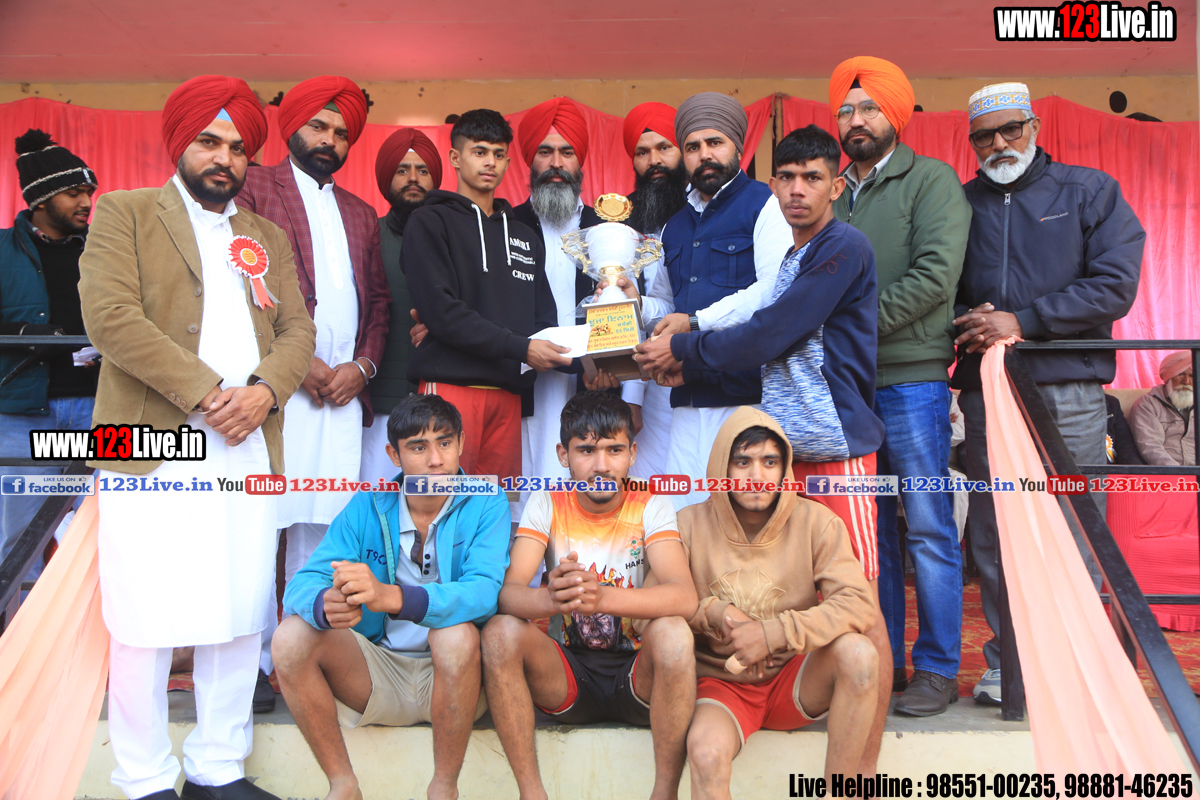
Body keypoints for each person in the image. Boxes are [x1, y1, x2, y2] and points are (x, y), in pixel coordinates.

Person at [78, 75, 316, 800]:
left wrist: (265, 390)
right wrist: (209, 392)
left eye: (239, 148)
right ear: (179, 143)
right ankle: (143, 777)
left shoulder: (265, 236)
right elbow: (110, 319)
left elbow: (298, 330)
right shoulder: (124, 213)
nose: (225, 158)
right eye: (210, 142)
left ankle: (218, 768)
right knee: (143, 611)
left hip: (244, 442)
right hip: (145, 442)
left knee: (240, 608)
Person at [634, 124, 889, 773]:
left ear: (837, 186)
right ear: (773, 186)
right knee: (801, 592)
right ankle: (776, 700)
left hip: (837, 454)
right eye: (788, 178)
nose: (798, 190)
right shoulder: (794, 258)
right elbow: (761, 332)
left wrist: (685, 348)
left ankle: (862, 773)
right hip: (792, 456)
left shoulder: (843, 247)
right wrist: (686, 355)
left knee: (863, 612)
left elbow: (770, 333)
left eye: (813, 178)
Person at [952, 81, 1144, 705]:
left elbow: (1114, 285)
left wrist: (1024, 321)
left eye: (1011, 129)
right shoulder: (961, 204)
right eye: (984, 136)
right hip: (989, 390)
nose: (999, 144)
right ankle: (1008, 665)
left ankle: (1076, 663)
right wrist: (968, 319)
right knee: (994, 530)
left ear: (1034, 127)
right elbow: (939, 288)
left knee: (1076, 526)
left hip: (1070, 387)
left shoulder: (1088, 191)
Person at [235, 75, 390, 702]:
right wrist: (299, 366)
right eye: (318, 127)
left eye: (341, 132)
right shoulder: (253, 188)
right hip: (275, 394)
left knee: (321, 529)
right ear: (292, 128)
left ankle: (297, 658)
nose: (330, 140)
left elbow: (377, 302)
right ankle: (249, 665)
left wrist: (363, 367)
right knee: (261, 525)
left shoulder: (360, 212)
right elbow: (242, 283)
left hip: (341, 399)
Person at [273, 394, 509, 800]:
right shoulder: (367, 505)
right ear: (393, 455)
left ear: (461, 444)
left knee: (454, 636)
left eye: (445, 443)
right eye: (418, 447)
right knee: (290, 637)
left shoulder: (487, 500)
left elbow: (484, 592)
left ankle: (444, 790)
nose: (435, 460)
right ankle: (343, 785)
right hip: (376, 674)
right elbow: (304, 581)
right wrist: (324, 604)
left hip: (457, 679)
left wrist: (394, 598)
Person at [828, 56, 972, 718]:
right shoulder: (832, 190)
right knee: (871, 533)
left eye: (868, 108)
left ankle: (938, 669)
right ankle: (883, 664)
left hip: (911, 380)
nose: (856, 120)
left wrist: (849, 327)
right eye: (846, 110)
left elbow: (935, 278)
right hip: (846, 386)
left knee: (930, 529)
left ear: (896, 114)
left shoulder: (931, 181)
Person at [481, 390, 698, 800]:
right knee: (498, 633)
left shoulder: (650, 504)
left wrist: (601, 598)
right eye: (586, 450)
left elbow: (683, 597)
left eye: (614, 450)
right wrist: (552, 599)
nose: (601, 465)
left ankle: (665, 793)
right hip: (566, 676)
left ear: (633, 454)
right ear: (563, 455)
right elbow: (508, 595)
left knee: (673, 632)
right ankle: (532, 793)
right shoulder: (547, 501)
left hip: (639, 678)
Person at [682, 408, 878, 792]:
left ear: (784, 468)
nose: (757, 476)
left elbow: (858, 602)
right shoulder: (687, 524)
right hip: (722, 685)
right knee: (705, 755)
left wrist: (775, 633)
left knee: (859, 653)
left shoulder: (817, 521)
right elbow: (652, 611)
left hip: (796, 678)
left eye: (769, 462)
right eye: (743, 462)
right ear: (722, 466)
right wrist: (716, 612)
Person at [402, 108, 570, 480]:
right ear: (455, 158)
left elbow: (543, 319)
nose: (490, 162)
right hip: (449, 389)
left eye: (498, 154)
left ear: (509, 162)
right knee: (440, 500)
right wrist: (521, 348)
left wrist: (596, 357)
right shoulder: (428, 222)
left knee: (496, 505)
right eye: (479, 152)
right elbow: (442, 312)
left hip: (508, 397)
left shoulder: (524, 235)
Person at [644, 92, 793, 509]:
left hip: (745, 394)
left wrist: (694, 323)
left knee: (742, 514)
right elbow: (665, 303)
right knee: (683, 514)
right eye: (693, 147)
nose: (704, 155)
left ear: (737, 146)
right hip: (687, 396)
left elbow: (772, 289)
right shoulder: (674, 225)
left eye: (715, 143)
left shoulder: (765, 205)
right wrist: (628, 301)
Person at [0, 128, 99, 570]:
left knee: (108, 535)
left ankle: (94, 620)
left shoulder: (108, 250)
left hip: (101, 409)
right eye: (74, 193)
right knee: (19, 542)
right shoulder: (1, 250)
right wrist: (26, 331)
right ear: (40, 201)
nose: (87, 202)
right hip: (23, 416)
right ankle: (19, 618)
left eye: (89, 192)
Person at [511, 97, 604, 487]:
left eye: (567, 152)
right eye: (545, 152)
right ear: (529, 161)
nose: (556, 163)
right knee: (528, 494)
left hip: (592, 382)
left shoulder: (607, 230)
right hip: (525, 384)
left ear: (580, 162)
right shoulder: (505, 224)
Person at [360, 127, 441, 484]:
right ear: (386, 178)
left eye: (422, 170)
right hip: (379, 405)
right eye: (402, 170)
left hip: (440, 401)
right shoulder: (368, 235)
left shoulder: (452, 238)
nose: (413, 179)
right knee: (377, 499)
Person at [619, 101, 687, 480]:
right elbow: (624, 311)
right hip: (644, 385)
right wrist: (631, 397)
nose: (654, 161)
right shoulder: (619, 221)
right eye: (642, 153)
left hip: (697, 368)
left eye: (664, 148)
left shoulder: (701, 214)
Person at [1130, 351, 1195, 466]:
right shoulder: (1148, 404)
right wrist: (1179, 473)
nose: (1186, 381)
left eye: (1192, 376)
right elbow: (1150, 447)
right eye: (1180, 374)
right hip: (1168, 473)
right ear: (1169, 377)